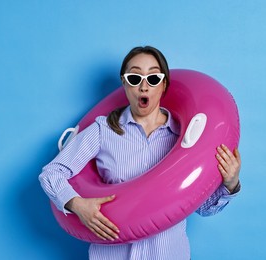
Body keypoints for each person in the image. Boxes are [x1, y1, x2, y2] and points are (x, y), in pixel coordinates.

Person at [39, 46, 241, 260]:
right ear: (125, 84)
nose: (144, 86)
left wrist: (230, 184)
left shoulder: (181, 139)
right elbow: (52, 173)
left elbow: (204, 209)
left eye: (153, 78)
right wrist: (77, 204)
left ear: (163, 85)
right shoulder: (102, 130)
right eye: (135, 78)